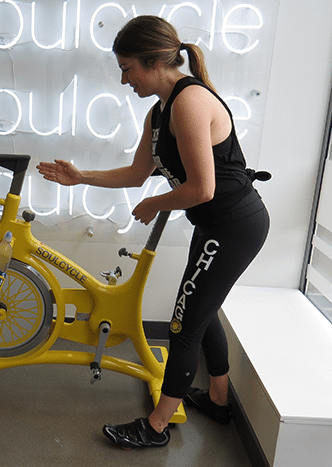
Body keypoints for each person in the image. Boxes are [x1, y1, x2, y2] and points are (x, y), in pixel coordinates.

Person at [37, 15, 269, 449]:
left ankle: (157, 426)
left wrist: (155, 203)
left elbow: (202, 188)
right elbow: (136, 173)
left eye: (128, 69)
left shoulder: (189, 102)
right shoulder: (159, 111)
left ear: (155, 62)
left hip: (235, 224)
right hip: (217, 224)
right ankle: (218, 400)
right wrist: (80, 176)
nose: (124, 79)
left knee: (183, 322)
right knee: (201, 309)